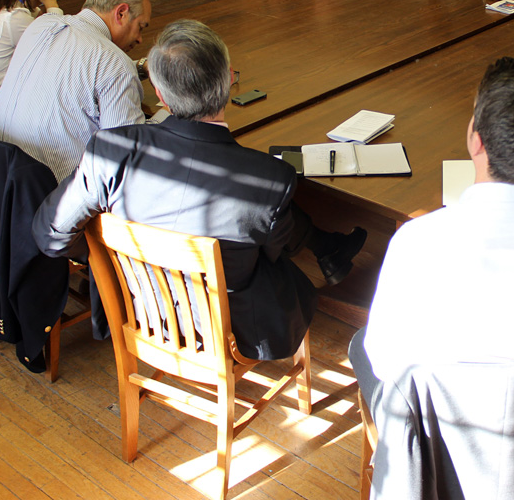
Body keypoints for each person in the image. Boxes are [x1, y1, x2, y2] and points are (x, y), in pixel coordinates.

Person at [32, 20, 367, 360]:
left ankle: (328, 247)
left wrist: (109, 249)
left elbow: (50, 235)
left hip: (139, 315)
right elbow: (271, 255)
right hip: (227, 331)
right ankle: (328, 249)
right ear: (230, 81)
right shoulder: (272, 177)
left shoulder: (108, 150)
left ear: (160, 96)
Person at [356, 57, 514, 399]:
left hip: (438, 434)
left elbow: (385, 363)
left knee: (361, 344)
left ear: (476, 141)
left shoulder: (417, 241)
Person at [0, 0, 152, 182]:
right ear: (121, 12)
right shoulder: (115, 64)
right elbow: (123, 160)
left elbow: (82, 76)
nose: (140, 38)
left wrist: (139, 67)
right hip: (50, 196)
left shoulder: (41, 25)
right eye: (141, 27)